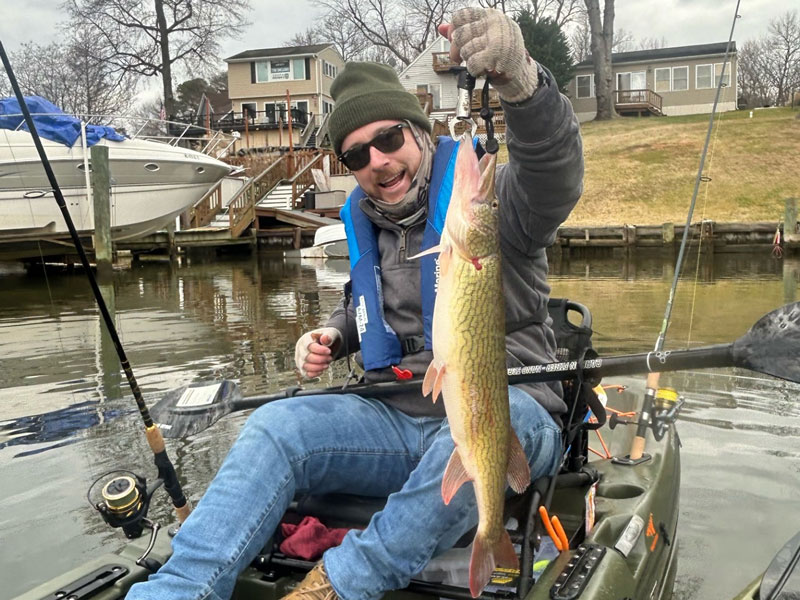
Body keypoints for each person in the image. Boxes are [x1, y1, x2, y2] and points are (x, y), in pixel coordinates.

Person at [126, 6, 583, 600]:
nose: (377, 162)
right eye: (355, 155)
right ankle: (176, 591)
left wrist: (522, 82)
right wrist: (335, 334)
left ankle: (338, 588)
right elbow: (362, 305)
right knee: (275, 426)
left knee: (507, 422)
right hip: (392, 415)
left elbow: (555, 171)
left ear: (418, 131)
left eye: (388, 139)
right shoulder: (365, 225)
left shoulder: (497, 212)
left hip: (507, 408)